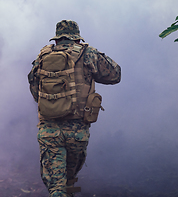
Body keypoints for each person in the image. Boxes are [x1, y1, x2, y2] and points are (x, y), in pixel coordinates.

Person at [28, 20, 121, 197]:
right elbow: (115, 74)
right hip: (77, 131)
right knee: (69, 180)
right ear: (77, 38)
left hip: (49, 130)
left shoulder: (43, 55)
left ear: (57, 39)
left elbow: (34, 86)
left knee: (57, 187)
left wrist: (51, 105)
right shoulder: (88, 53)